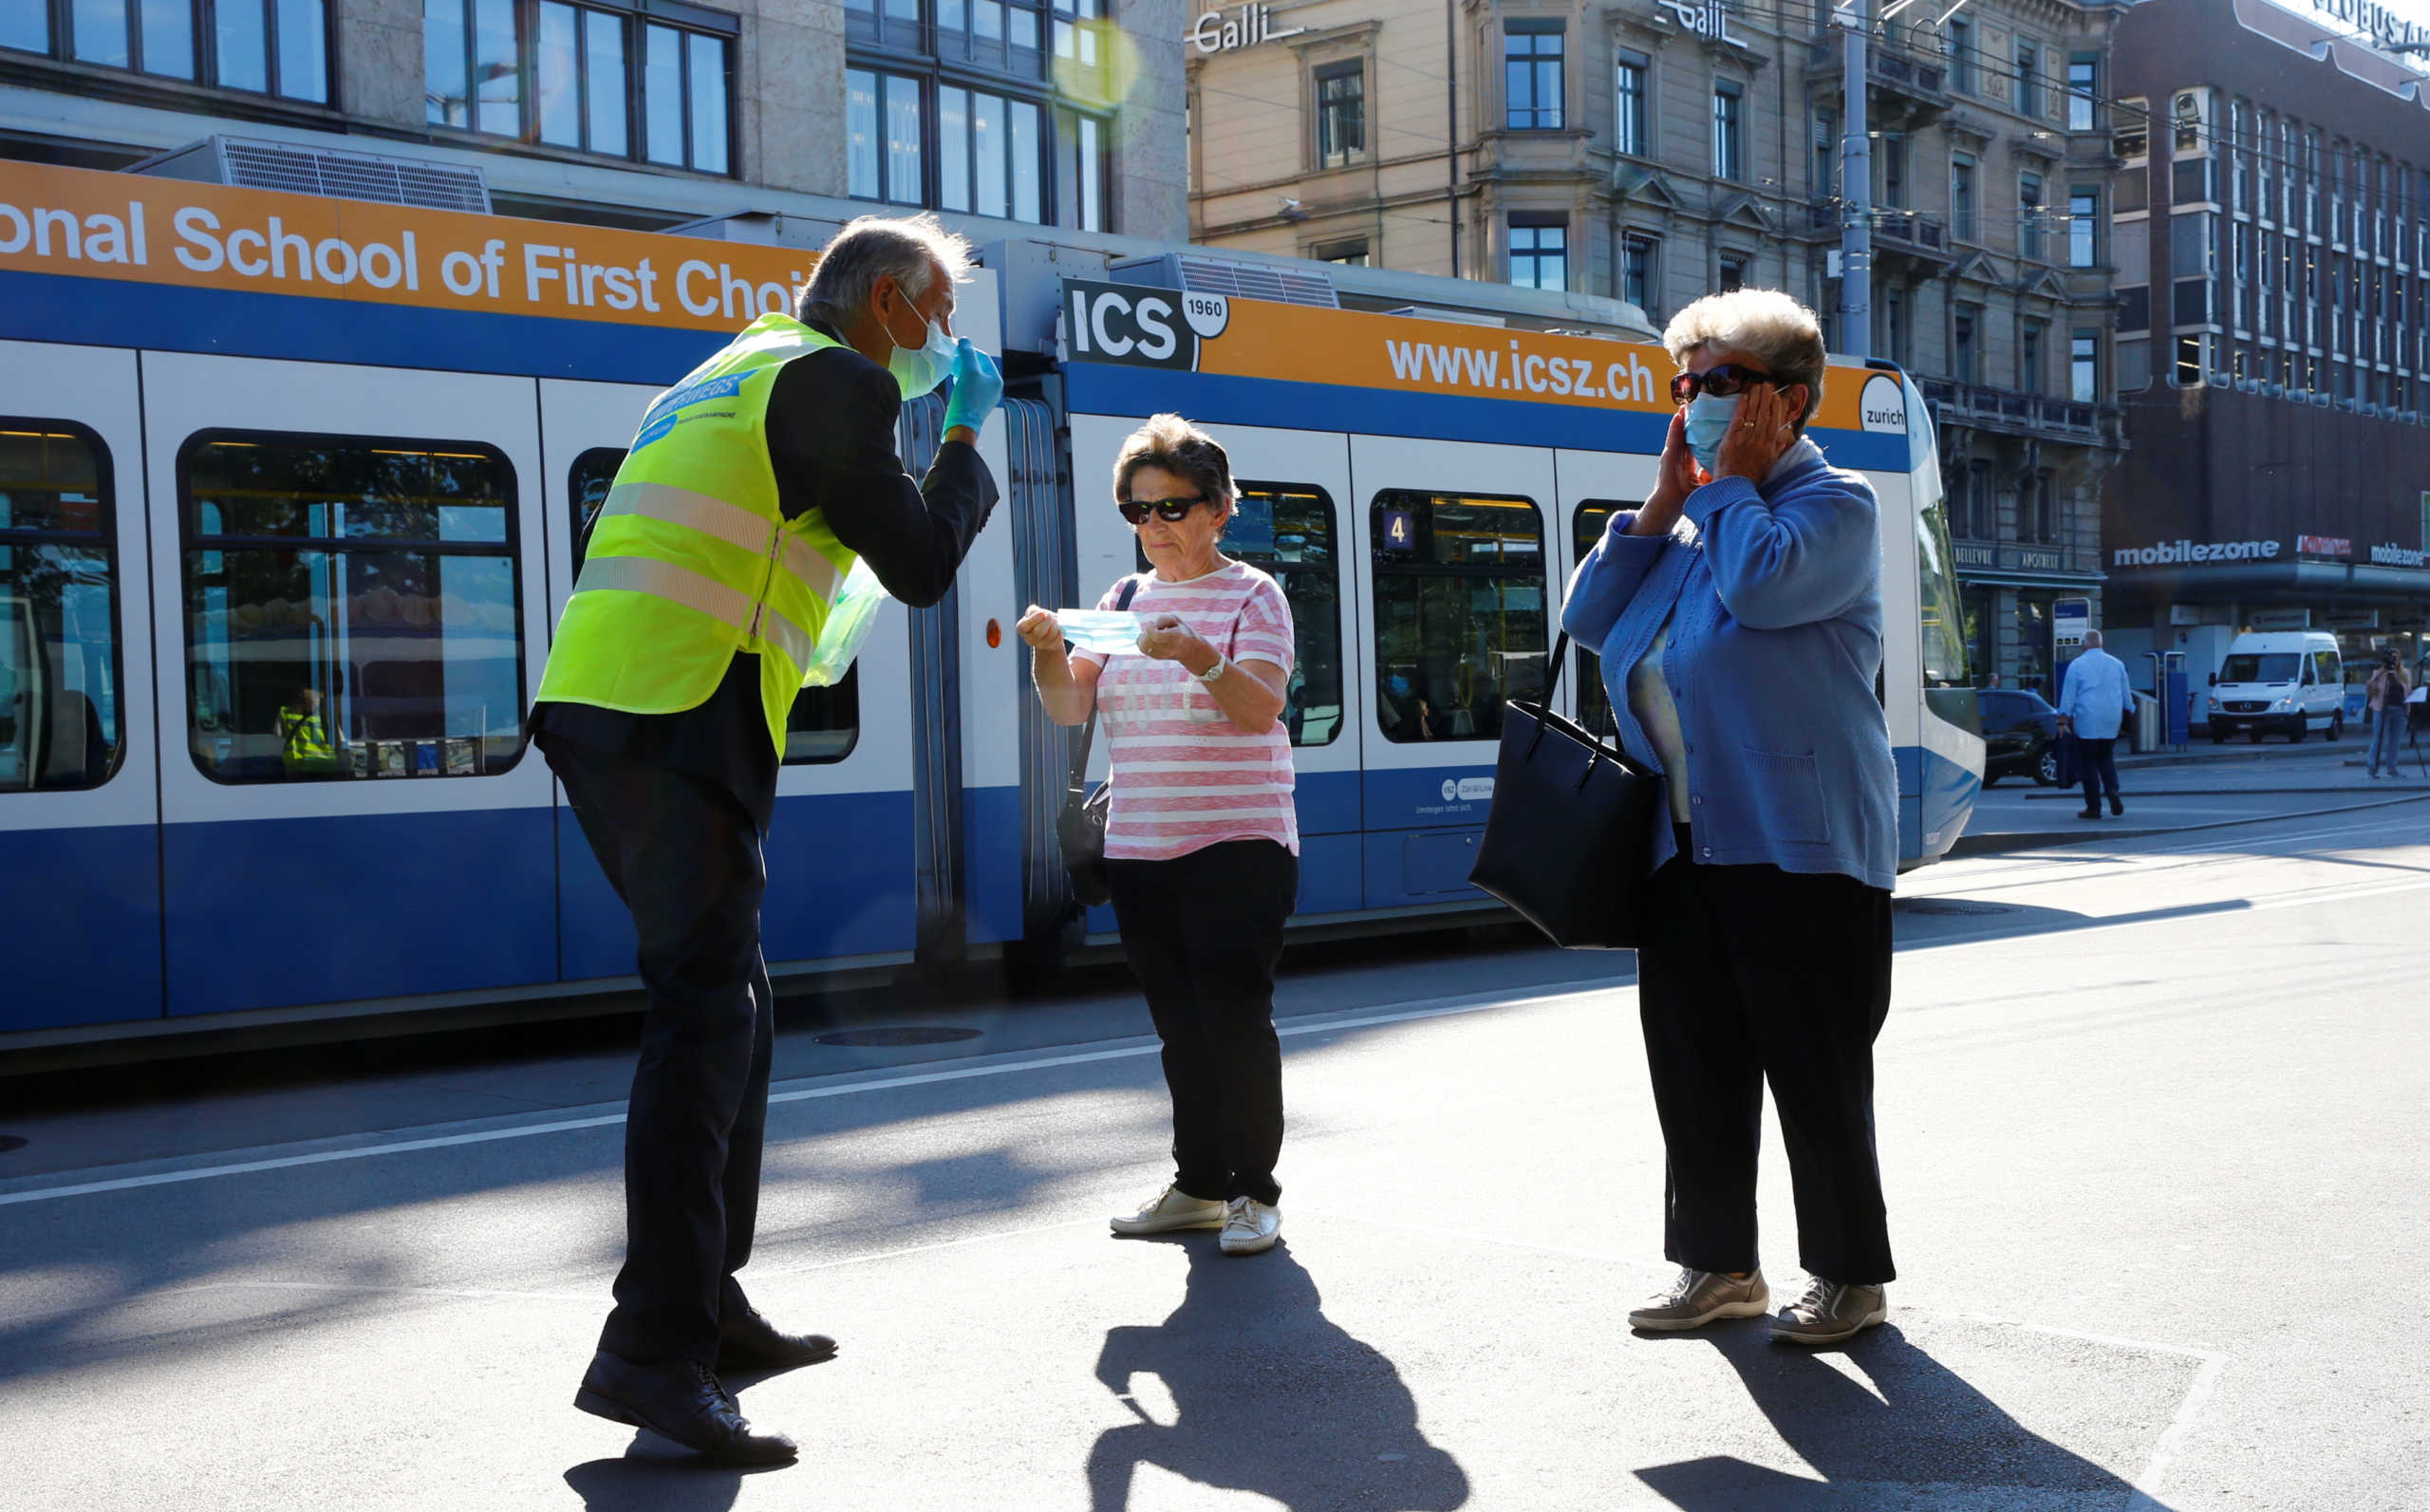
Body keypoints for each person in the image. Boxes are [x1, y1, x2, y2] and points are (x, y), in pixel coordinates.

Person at [529, 214, 1004, 1465]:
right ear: (891, 306)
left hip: (621, 706)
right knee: (700, 1019)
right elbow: (919, 561)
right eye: (940, 316)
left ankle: (709, 1304)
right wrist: (962, 438)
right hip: (677, 714)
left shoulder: (733, 368)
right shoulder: (839, 382)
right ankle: (653, 1352)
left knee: (734, 1006)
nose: (944, 341)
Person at [1561, 289, 1901, 1347]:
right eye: (1684, 383)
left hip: (1799, 846)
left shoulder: (1831, 508)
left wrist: (1728, 491)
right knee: (1694, 1067)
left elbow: (1761, 592)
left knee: (1815, 1071)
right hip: (1682, 848)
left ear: (1790, 401)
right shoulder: (1702, 520)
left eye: (1721, 383)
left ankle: (1848, 1278)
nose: (1695, 402)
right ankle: (1718, 1269)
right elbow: (1587, 621)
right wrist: (1662, 505)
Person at [1015, 415, 1299, 1259]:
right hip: (1141, 843)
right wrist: (1043, 653)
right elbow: (1070, 705)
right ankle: (1199, 1185)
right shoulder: (1123, 601)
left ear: (1218, 509)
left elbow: (1260, 709)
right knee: (1180, 1024)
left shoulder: (1256, 595)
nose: (1152, 528)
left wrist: (1200, 658)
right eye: (1135, 512)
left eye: (1171, 508)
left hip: (1239, 840)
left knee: (1234, 1018)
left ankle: (1254, 1192)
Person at [2057, 631, 2131, 818]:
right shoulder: (2117, 664)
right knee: (2106, 758)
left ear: (2084, 645)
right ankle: (2112, 790)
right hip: (2111, 720)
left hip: (2087, 720)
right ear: (2100, 644)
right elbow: (2126, 695)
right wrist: (2129, 712)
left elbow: (2068, 696)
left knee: (2088, 763)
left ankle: (2093, 807)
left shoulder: (2077, 665)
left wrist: (2062, 721)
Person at [276, 686, 344, 776]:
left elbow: (277, 738)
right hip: (322, 769)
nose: (320, 700)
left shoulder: (285, 713)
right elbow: (339, 745)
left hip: (298, 769)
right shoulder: (327, 716)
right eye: (318, 697)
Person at [2365, 654, 2410, 778]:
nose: (2393, 661)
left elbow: (2408, 692)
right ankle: (2372, 769)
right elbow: (2371, 692)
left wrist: (2408, 712)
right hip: (2381, 710)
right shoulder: (2379, 672)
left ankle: (2392, 768)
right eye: (2391, 658)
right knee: (2378, 739)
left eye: (2396, 658)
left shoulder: (2405, 674)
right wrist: (2378, 675)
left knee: (2395, 741)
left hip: (2400, 710)